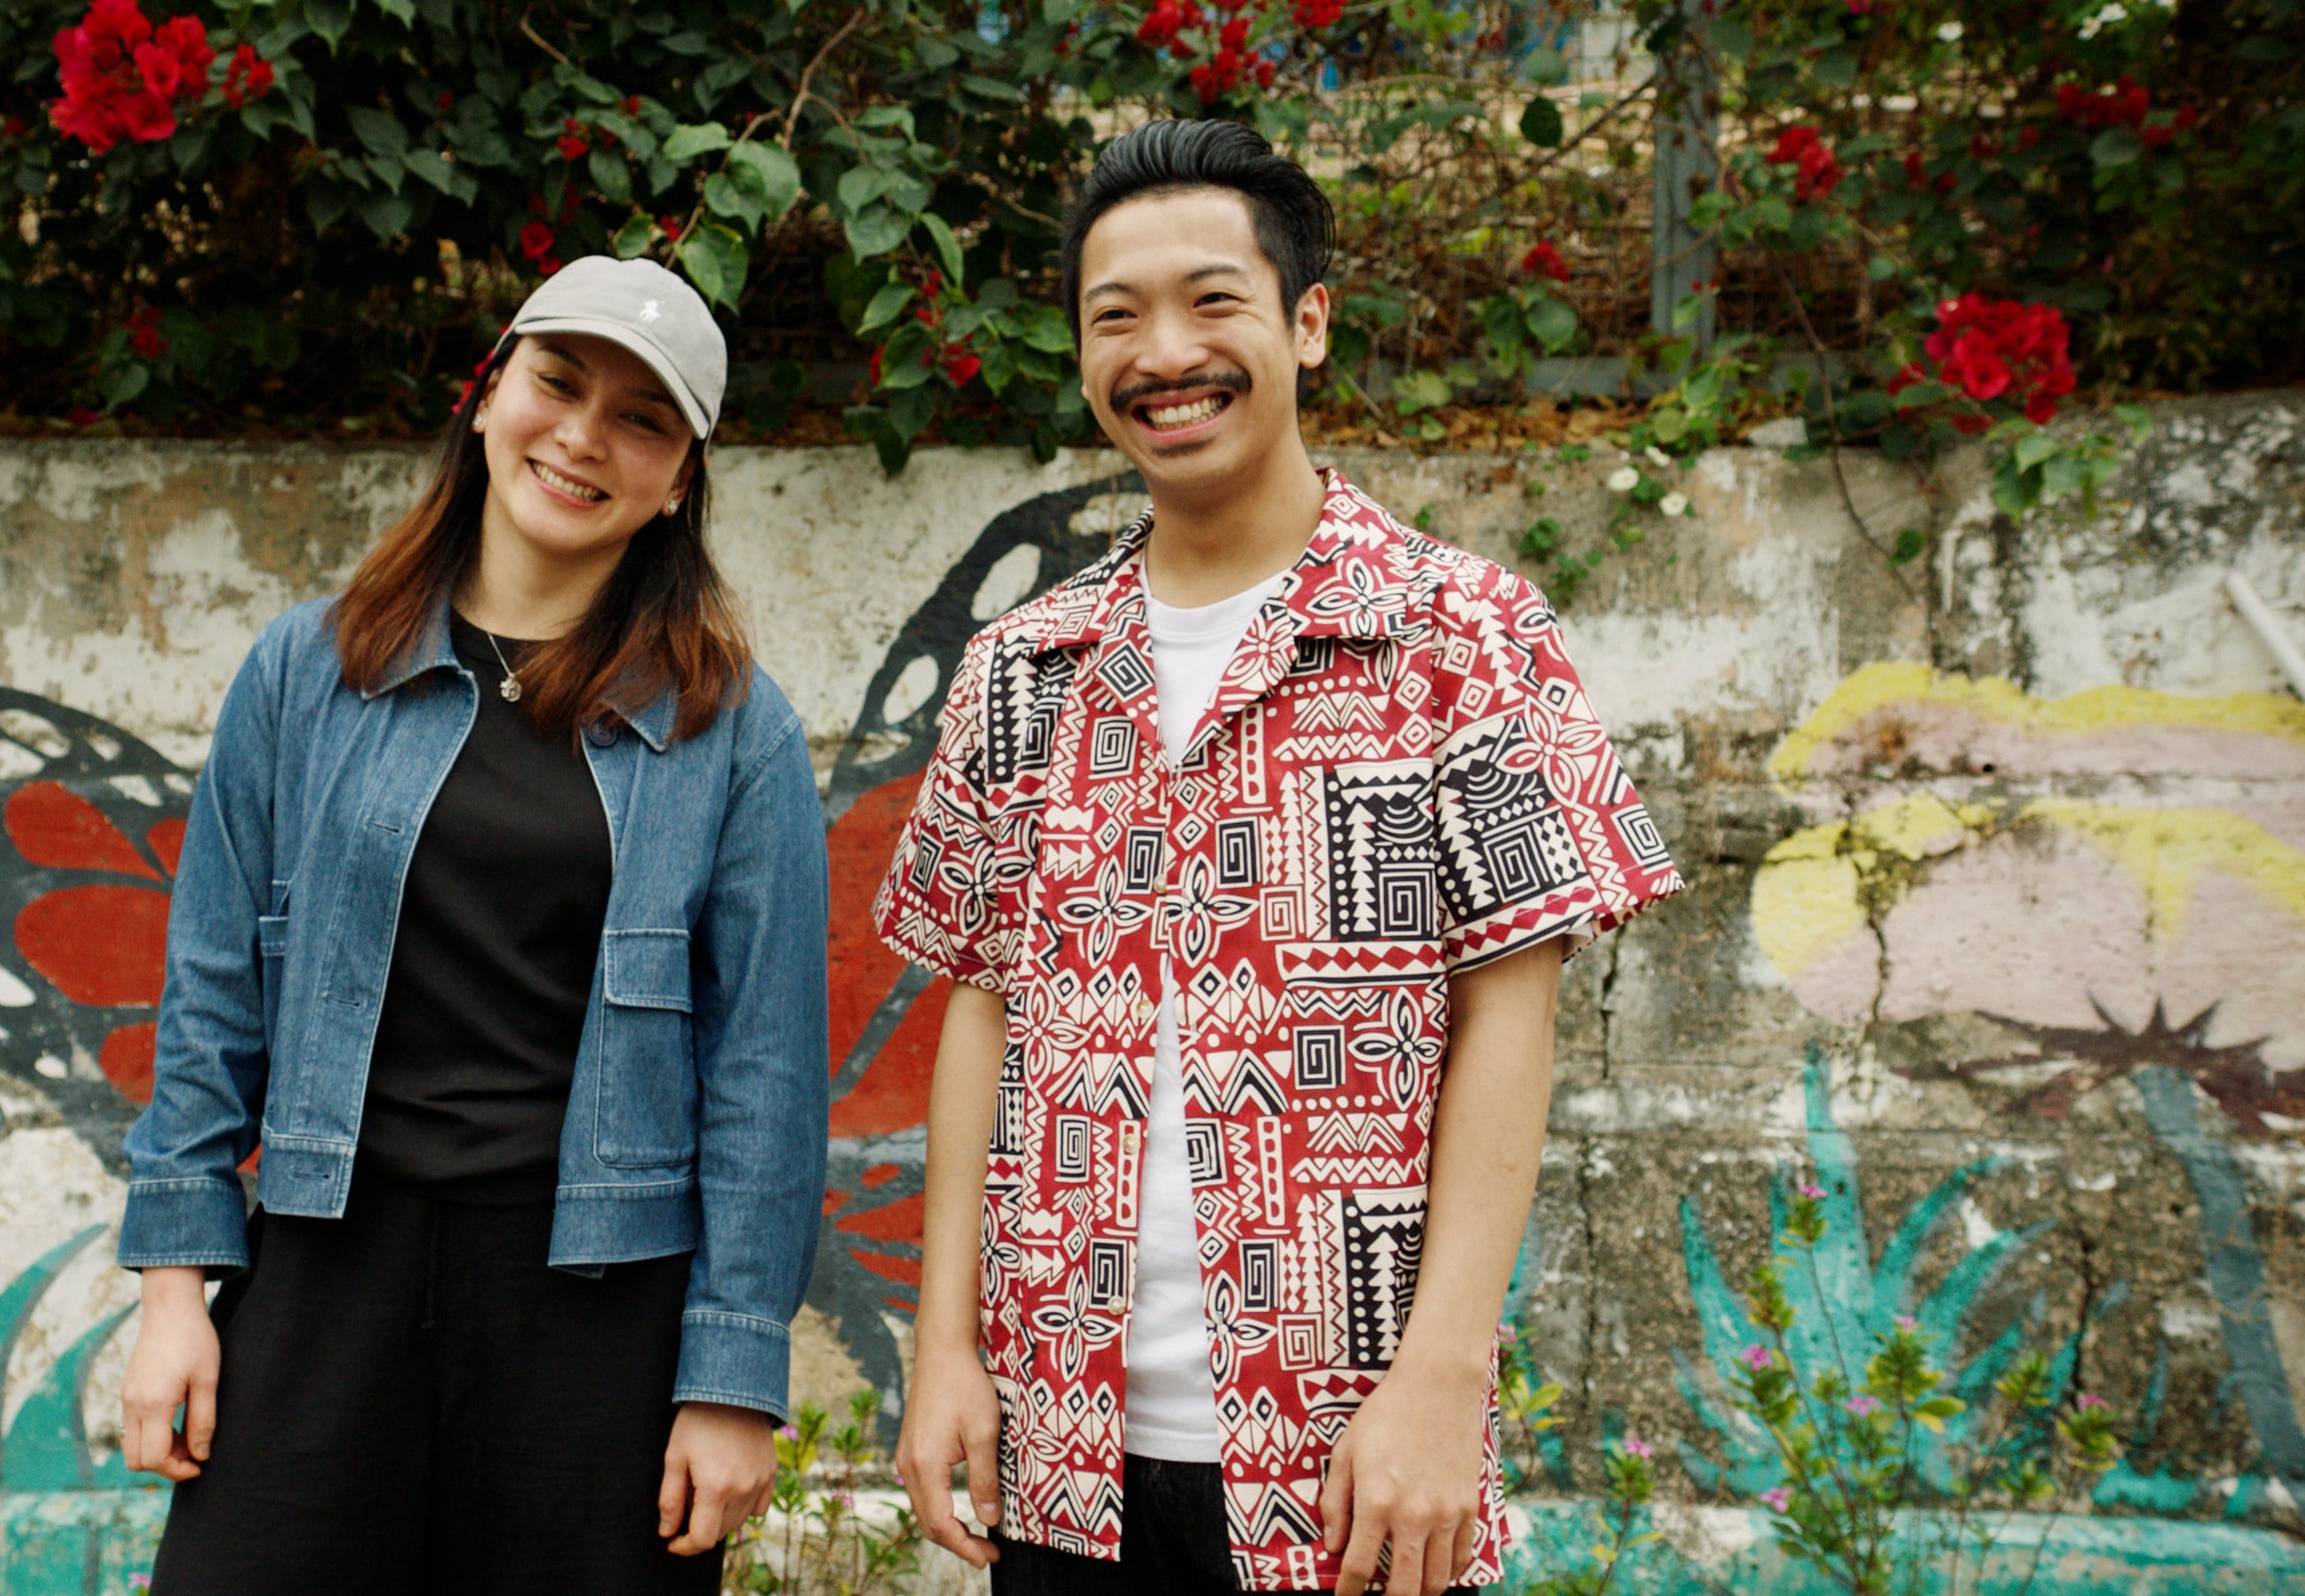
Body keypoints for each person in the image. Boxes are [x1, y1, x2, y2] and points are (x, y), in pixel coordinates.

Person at [878, 119, 1683, 1595]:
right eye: (1116, 317)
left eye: (1212, 301)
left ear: (1307, 324)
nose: (1163, 354)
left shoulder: (1461, 635)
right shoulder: (1023, 669)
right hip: (1063, 1454)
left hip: (1349, 1459)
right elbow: (978, 1007)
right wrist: (944, 1349)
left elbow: (1512, 1011)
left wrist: (1441, 1379)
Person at [113, 254, 830, 1593]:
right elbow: (212, 987)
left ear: (682, 479)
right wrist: (173, 1294)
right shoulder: (308, 671)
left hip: (594, 1312)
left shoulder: (734, 733)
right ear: (490, 393)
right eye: (558, 383)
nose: (583, 437)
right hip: (326, 1272)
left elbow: (766, 1075)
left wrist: (733, 1378)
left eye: (641, 419)